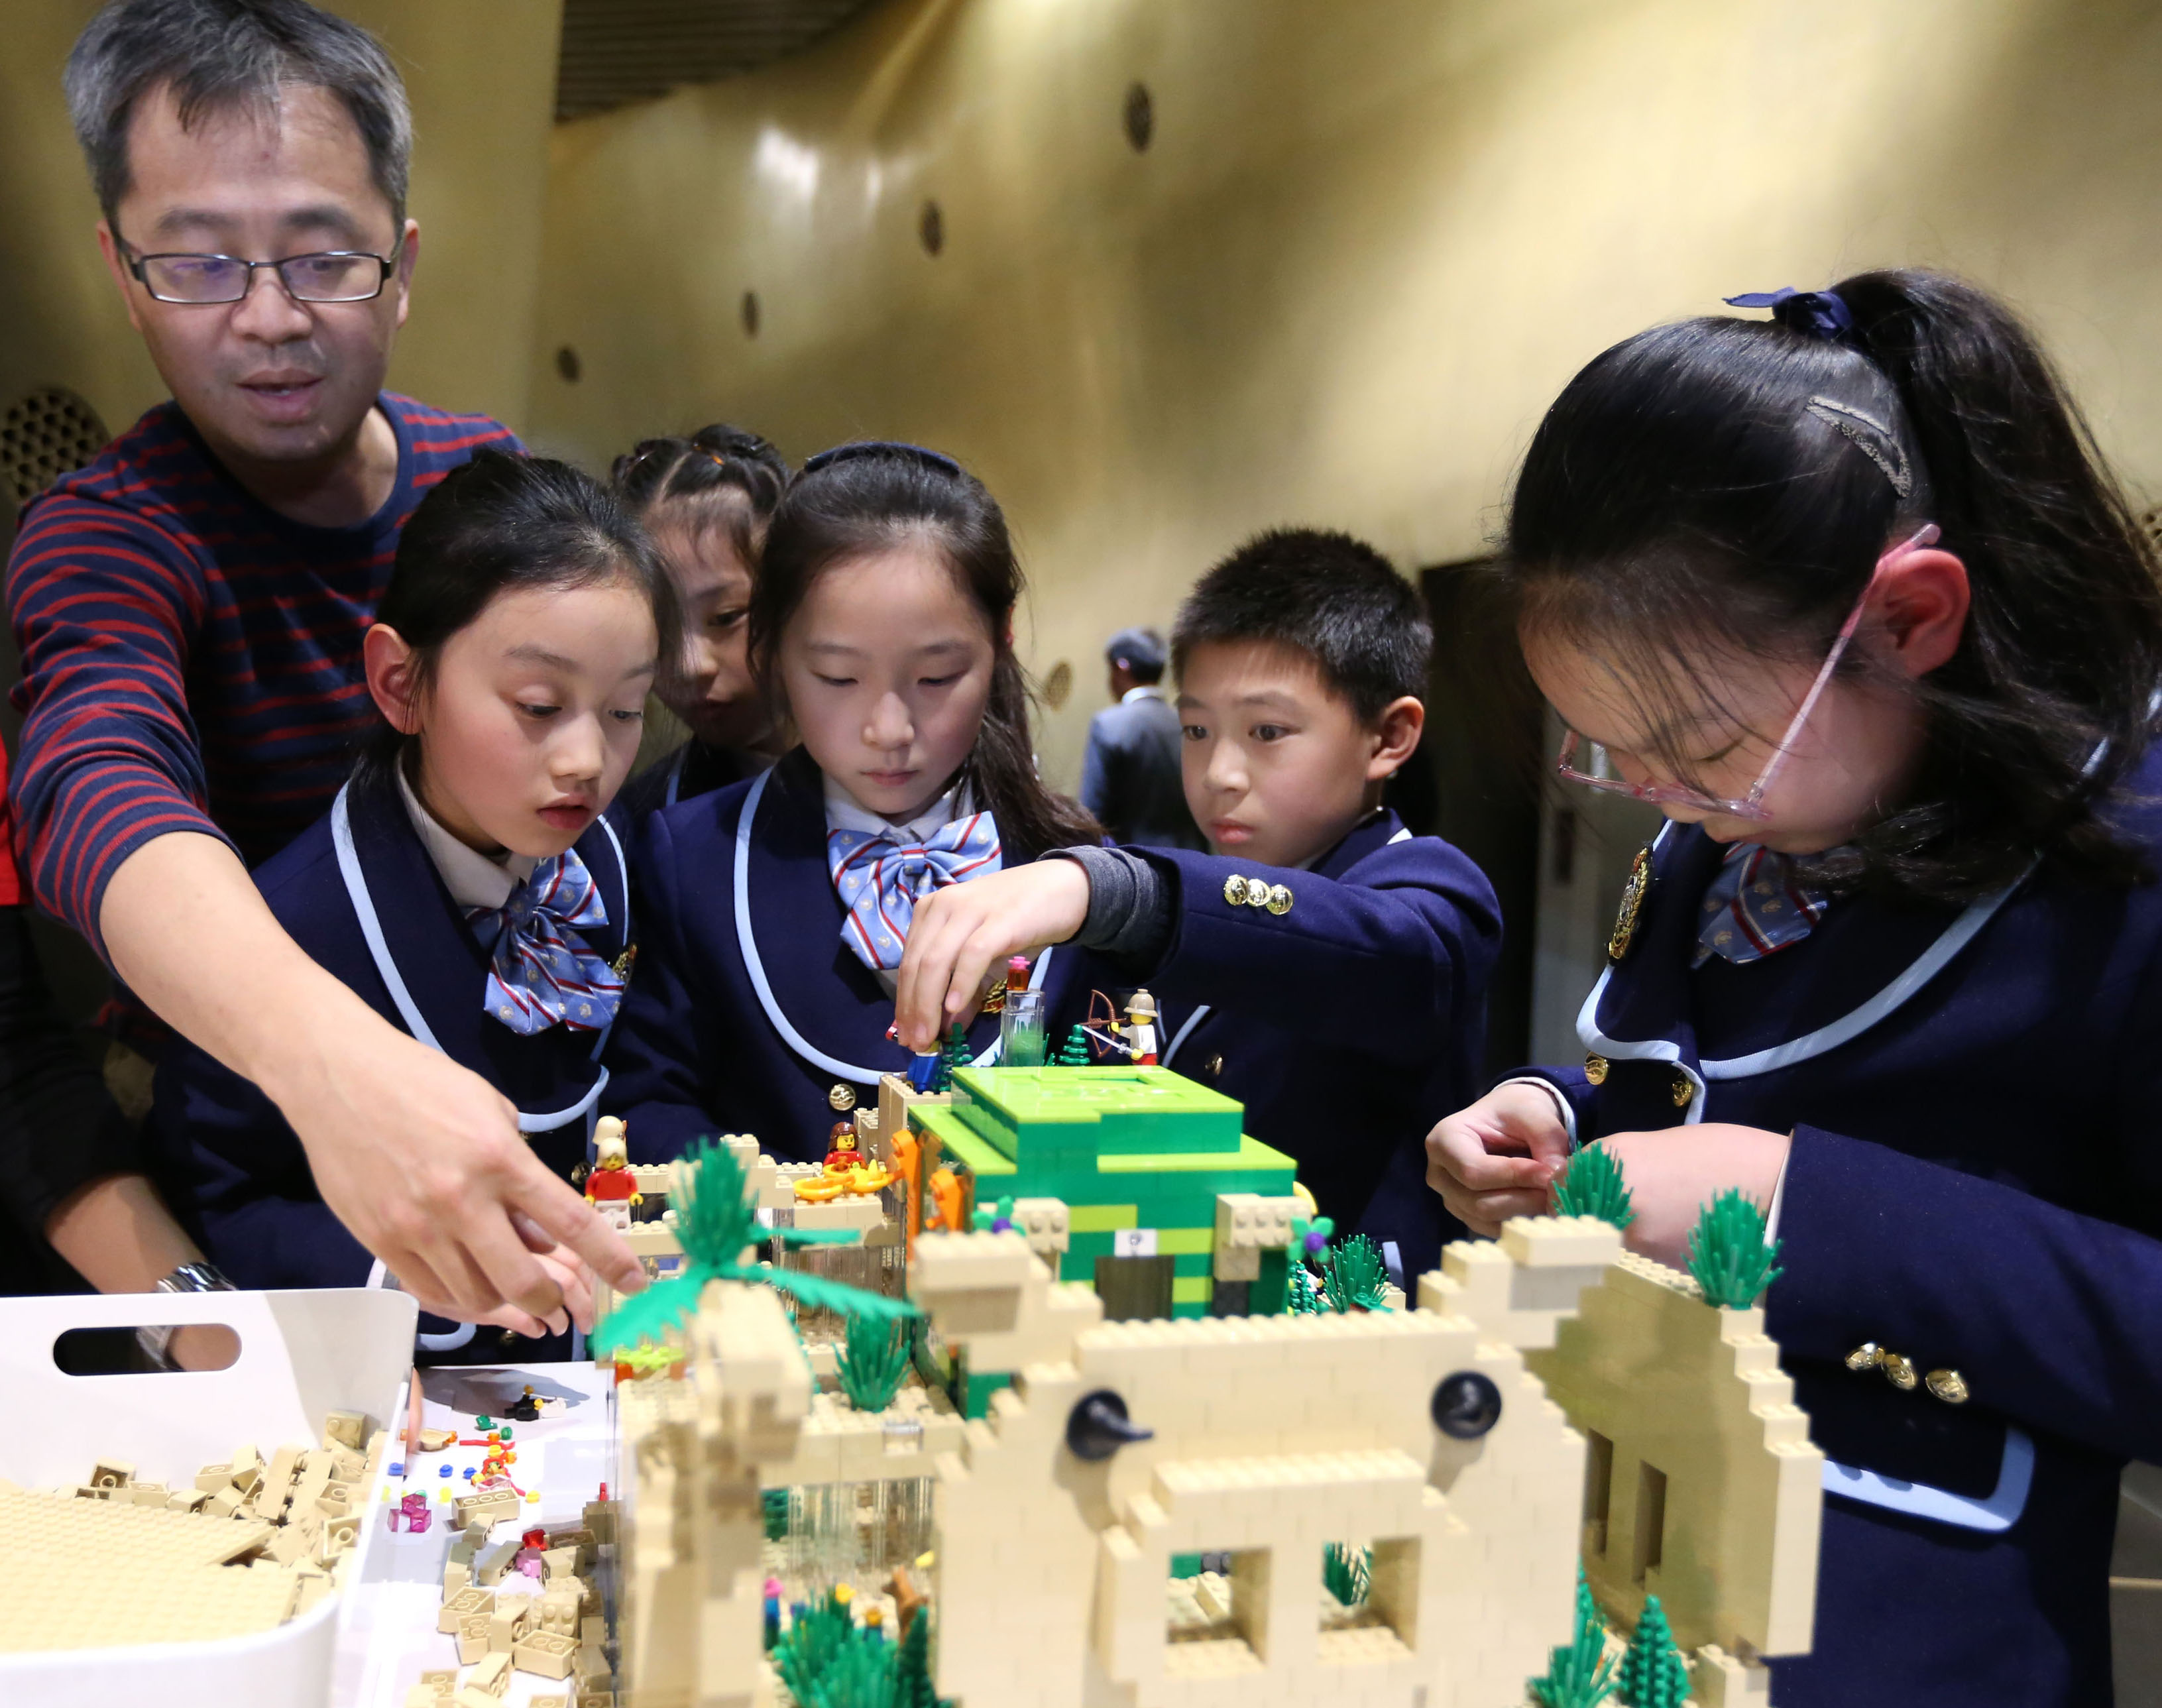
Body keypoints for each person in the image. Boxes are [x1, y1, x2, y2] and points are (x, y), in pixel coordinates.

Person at [1424, 271, 2162, 1708]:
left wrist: (1798, 1205)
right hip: (1617, 1547)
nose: (1657, 794)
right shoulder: (1730, 826)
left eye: (1699, 744)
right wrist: (1557, 1118)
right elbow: (1694, 1090)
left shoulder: (2119, 871)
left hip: (1899, 1640)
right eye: (1606, 748)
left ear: (1911, 617)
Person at [6, 0, 642, 1324]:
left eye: (323, 257)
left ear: (401, 264)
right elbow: (98, 776)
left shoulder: (483, 482)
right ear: (122, 273)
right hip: (240, 1174)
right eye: (196, 263)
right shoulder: (106, 535)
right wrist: (333, 1068)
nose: (268, 318)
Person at [147, 452, 674, 1358]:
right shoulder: (281, 930)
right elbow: (224, 1196)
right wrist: (415, 1283)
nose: (588, 759)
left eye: (625, 710)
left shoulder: (612, 852)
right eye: (538, 705)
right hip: (411, 1382)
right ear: (400, 683)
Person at [891, 528, 1503, 1280]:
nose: (1220, 773)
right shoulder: (1190, 899)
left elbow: (1368, 949)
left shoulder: (1434, 889)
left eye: (1268, 732)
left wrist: (1110, 890)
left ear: (1389, 736)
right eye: (1197, 730)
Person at [604, 442, 1108, 1163]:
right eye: (838, 678)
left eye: (937, 677)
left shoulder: (1078, 869)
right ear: (772, 650)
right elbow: (646, 1101)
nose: (889, 730)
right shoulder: (693, 861)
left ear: (1001, 639)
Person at [611, 424, 791, 813]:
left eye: (727, 618)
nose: (690, 666)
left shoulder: (916, 762)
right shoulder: (647, 825)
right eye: (660, 630)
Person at [1080, 626, 1204, 848]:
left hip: (1133, 860)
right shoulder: (1189, 724)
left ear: (1121, 667)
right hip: (1190, 858)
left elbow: (1092, 813)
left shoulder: (1108, 725)